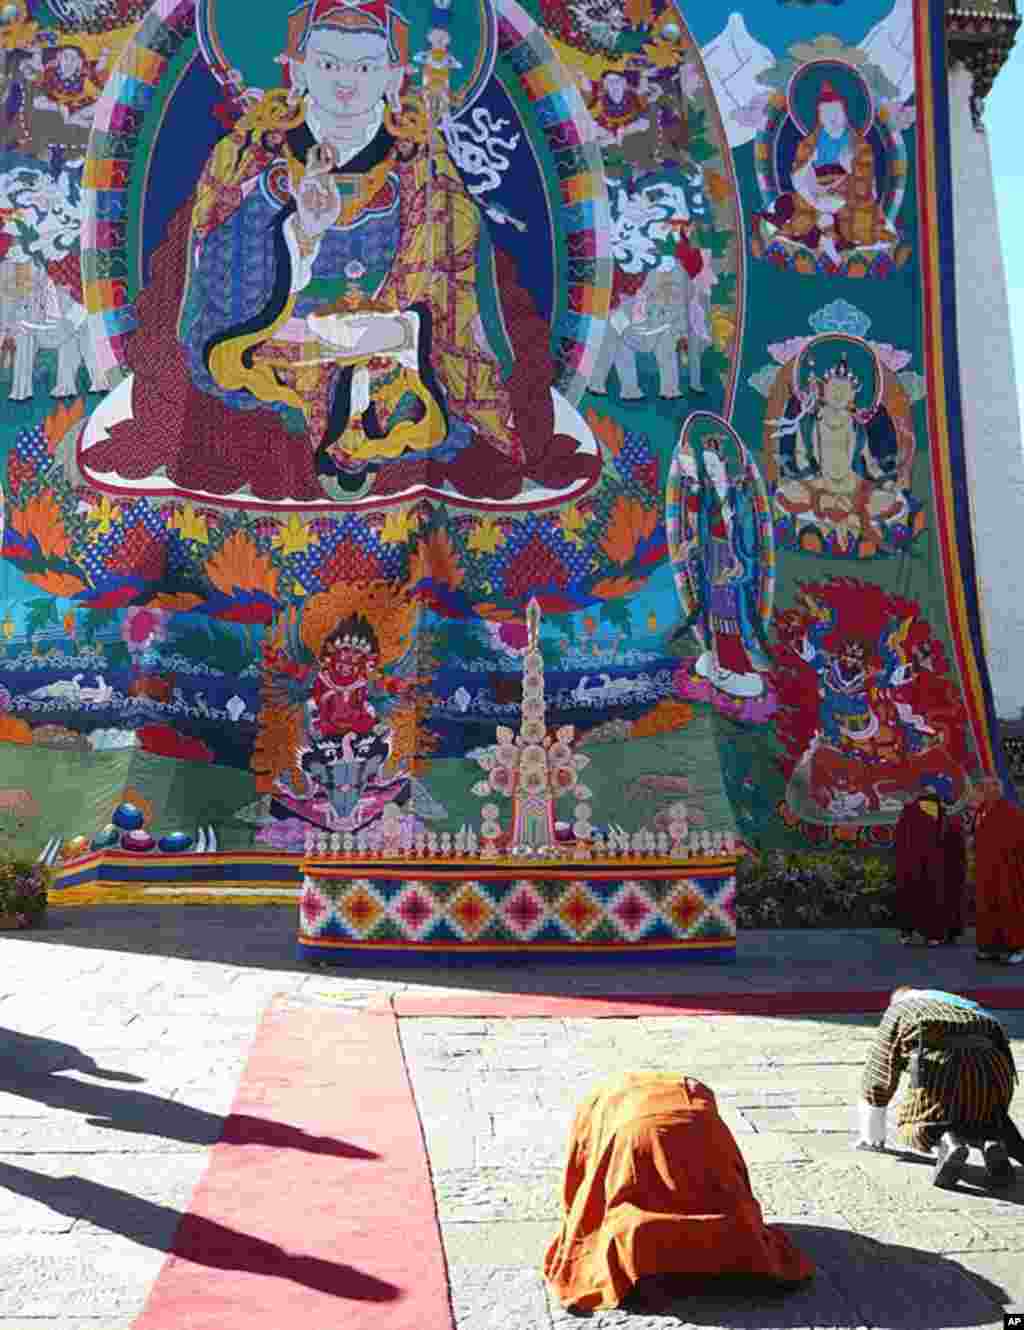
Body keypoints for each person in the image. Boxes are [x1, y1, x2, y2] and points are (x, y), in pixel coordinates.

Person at [80, 0, 598, 504]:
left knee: (407, 393)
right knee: (246, 404)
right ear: (298, 70)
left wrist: (408, 329)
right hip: (276, 340)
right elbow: (206, 272)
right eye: (328, 63)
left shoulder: (425, 170)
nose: (345, 80)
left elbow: (462, 282)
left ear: (395, 78)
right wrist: (297, 233)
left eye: (366, 65)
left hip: (396, 346)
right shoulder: (248, 156)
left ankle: (368, 432)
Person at [543, 1073, 814, 1313]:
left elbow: (581, 1169)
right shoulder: (703, 1116)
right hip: (694, 1124)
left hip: (638, 1128)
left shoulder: (601, 1105)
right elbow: (735, 1178)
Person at [857, 987, 1024, 1189]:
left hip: (943, 1068)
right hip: (994, 1069)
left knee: (918, 1124)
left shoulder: (900, 1010)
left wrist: (872, 1136)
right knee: (983, 1114)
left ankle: (949, 1142)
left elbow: (879, 1073)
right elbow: (1005, 1058)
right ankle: (992, 1142)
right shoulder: (972, 1008)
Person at [755, 81, 896, 267]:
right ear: (819, 116)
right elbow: (798, 175)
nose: (832, 118)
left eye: (836, 112)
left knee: (854, 220)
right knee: (795, 207)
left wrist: (850, 169)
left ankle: (830, 238)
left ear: (845, 114)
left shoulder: (859, 146)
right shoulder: (809, 144)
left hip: (849, 196)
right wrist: (811, 188)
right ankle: (825, 238)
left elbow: (866, 180)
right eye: (826, 113)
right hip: (815, 193)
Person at [893, 789, 966, 946]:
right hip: (934, 868)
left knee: (912, 897)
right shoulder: (946, 817)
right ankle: (933, 934)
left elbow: (899, 841)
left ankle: (908, 933)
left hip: (914, 867)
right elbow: (956, 847)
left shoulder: (909, 814)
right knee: (932, 897)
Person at [967, 778, 1024, 965]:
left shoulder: (1011, 812)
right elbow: (976, 836)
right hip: (985, 870)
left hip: (1006, 870)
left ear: (998, 790)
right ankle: (990, 947)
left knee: (1008, 907)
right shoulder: (981, 811)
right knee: (986, 909)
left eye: (988, 787)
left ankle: (1017, 947)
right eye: (982, 787)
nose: (984, 790)